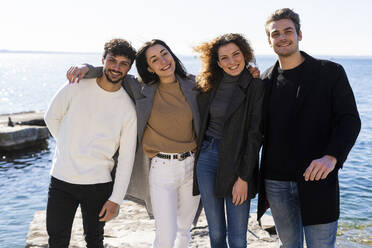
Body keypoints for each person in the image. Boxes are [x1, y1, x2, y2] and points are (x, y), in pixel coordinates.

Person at [67, 39, 201, 248]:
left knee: (184, 230)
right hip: (161, 169)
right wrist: (87, 67)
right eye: (154, 59)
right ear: (149, 67)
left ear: (172, 55)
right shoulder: (140, 88)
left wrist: (252, 75)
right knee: (166, 234)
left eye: (165, 54)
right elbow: (112, 72)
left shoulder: (194, 84)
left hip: (192, 167)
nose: (163, 61)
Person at [257, 8, 361, 248]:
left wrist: (332, 156)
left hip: (319, 178)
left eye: (288, 31)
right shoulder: (263, 81)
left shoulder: (330, 72)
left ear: (299, 34)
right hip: (276, 182)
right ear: (269, 40)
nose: (282, 37)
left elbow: (349, 120)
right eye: (275, 33)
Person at [44, 38, 137, 248]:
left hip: (98, 185)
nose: (116, 68)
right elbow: (51, 117)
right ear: (102, 60)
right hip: (61, 180)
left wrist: (116, 200)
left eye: (123, 64)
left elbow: (127, 158)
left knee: (95, 242)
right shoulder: (75, 87)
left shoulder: (128, 109)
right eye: (112, 61)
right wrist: (70, 146)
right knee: (57, 241)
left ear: (129, 68)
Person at [193, 33, 265, 248]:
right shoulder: (208, 83)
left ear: (245, 55)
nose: (232, 62)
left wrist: (244, 177)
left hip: (237, 163)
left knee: (237, 238)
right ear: (217, 62)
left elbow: (255, 135)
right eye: (224, 58)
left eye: (236, 55)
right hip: (206, 158)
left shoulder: (255, 85)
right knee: (215, 233)